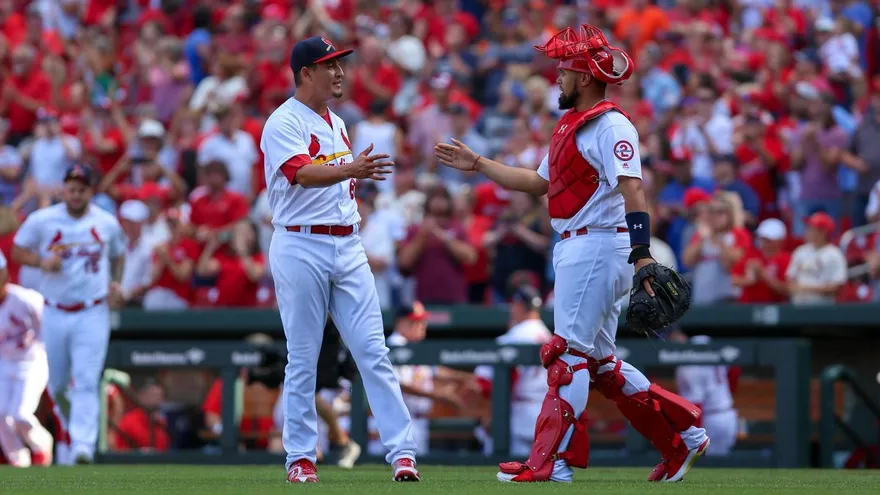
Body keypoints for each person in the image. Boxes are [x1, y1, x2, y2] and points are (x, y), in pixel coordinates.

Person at [434, 24, 709, 483]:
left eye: (563, 70)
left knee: (566, 357)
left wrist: (642, 253)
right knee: (599, 365)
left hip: (600, 242)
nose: (556, 78)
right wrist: (479, 164)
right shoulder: (570, 124)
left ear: (584, 77)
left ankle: (551, 462)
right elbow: (538, 183)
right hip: (581, 244)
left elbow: (633, 189)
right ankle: (682, 434)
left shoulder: (612, 124)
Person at [259, 36, 420, 483]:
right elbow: (302, 174)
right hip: (300, 244)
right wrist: (351, 170)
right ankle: (300, 458)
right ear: (305, 72)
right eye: (330, 64)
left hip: (347, 245)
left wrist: (351, 189)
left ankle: (403, 453)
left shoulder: (338, 122)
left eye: (341, 64)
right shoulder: (283, 121)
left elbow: (337, 185)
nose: (340, 72)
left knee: (373, 350)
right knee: (303, 355)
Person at [11, 164, 125, 465]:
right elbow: (17, 249)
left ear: (91, 191)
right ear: (64, 190)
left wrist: (115, 282)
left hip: (92, 309)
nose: (76, 194)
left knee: (87, 380)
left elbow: (118, 253)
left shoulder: (106, 222)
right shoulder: (44, 220)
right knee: (58, 384)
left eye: (82, 189)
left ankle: (81, 446)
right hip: (55, 310)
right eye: (72, 189)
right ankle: (75, 432)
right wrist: (41, 261)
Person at [379, 302, 469, 455]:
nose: (422, 325)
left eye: (422, 321)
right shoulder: (393, 345)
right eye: (416, 321)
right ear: (401, 322)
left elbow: (435, 371)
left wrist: (467, 378)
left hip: (417, 420)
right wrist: (438, 396)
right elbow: (399, 385)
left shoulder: (414, 346)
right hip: (398, 420)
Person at [474, 284, 553, 457]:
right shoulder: (549, 336)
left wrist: (493, 413)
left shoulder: (515, 335)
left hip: (516, 414)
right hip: (546, 412)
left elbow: (493, 383)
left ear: (518, 306)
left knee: (506, 471)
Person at [0, 251, 53, 467]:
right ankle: (18, 461)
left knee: (20, 414)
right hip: (4, 363)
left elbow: (49, 328)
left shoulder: (26, 299)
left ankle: (42, 447)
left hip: (32, 361)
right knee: (1, 416)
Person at [673, 334, 738, 457]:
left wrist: (691, 438)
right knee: (721, 463)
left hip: (710, 420)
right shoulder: (718, 359)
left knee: (704, 466)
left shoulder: (691, 367)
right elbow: (735, 372)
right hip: (728, 415)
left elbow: (695, 406)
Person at [786, 212, 848, 305]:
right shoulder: (800, 251)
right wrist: (794, 288)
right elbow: (790, 279)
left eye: (811, 228)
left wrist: (806, 289)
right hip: (798, 309)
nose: (807, 231)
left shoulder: (835, 254)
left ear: (823, 232)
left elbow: (836, 288)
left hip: (822, 310)